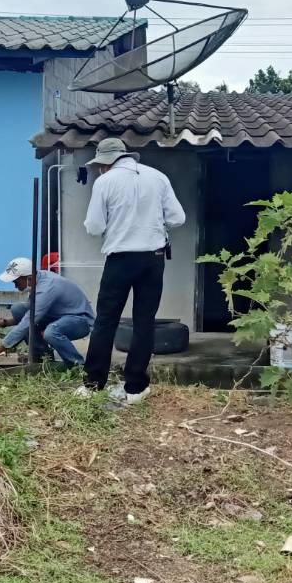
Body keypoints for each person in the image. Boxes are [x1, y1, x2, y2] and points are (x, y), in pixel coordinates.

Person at [77, 137, 185, 406]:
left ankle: (93, 384)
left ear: (105, 163)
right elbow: (177, 218)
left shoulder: (105, 181)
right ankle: (135, 388)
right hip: (153, 259)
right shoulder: (158, 177)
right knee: (144, 321)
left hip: (120, 259)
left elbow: (93, 226)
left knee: (106, 321)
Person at [0, 256, 94, 369]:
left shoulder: (46, 288)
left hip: (80, 321)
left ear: (28, 278)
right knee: (18, 309)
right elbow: (29, 315)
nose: (14, 286)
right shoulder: (37, 279)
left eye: (16, 282)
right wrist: (3, 322)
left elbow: (28, 321)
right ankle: (43, 358)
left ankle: (77, 366)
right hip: (60, 316)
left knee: (51, 332)